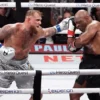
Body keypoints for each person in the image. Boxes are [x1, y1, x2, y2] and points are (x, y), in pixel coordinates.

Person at [0, 9, 69, 100]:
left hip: (23, 65)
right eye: (37, 20)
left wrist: (63, 25)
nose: (40, 23)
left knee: (37, 93)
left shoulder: (37, 31)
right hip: (3, 64)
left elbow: (49, 31)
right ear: (28, 19)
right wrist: (2, 49)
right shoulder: (11, 29)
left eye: (40, 20)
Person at [67, 9, 100, 100]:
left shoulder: (94, 25)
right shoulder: (85, 31)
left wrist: (74, 42)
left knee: (74, 95)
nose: (77, 26)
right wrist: (71, 30)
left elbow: (81, 41)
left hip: (96, 64)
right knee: (93, 95)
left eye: (79, 22)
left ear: (87, 18)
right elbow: (71, 48)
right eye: (75, 24)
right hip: (88, 63)